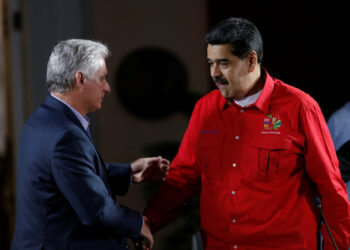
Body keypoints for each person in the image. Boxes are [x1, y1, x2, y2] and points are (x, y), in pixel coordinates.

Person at [142, 17, 350, 249]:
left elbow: (331, 188)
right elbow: (182, 179)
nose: (215, 73)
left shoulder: (300, 107)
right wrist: (147, 222)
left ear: (251, 60)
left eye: (224, 63)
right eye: (210, 63)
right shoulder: (205, 109)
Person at [11, 39, 169, 250]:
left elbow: (70, 178)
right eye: (102, 78)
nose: (107, 88)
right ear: (81, 79)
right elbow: (96, 209)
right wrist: (138, 224)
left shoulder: (43, 119)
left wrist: (129, 173)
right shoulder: (66, 135)